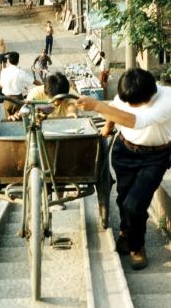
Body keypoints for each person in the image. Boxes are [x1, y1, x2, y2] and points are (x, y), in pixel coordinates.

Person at [76, 68, 171, 270]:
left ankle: (137, 246)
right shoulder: (129, 92)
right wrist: (108, 126)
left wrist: (97, 106)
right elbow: (116, 107)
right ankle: (126, 232)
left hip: (154, 157)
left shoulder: (167, 100)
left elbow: (137, 122)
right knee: (123, 197)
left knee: (135, 204)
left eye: (133, 104)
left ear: (150, 95)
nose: (128, 106)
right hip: (124, 150)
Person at [9, 72, 78, 121]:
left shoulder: (66, 93)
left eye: (60, 99)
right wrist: (18, 116)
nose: (56, 103)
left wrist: (71, 115)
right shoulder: (36, 93)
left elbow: (72, 108)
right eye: (53, 99)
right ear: (46, 92)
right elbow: (27, 108)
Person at [0, 51, 41, 119]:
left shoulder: (4, 71)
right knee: (20, 119)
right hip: (18, 100)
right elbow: (34, 82)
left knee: (9, 120)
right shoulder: (21, 72)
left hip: (7, 100)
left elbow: (1, 85)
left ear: (9, 61)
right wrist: (44, 86)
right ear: (18, 61)